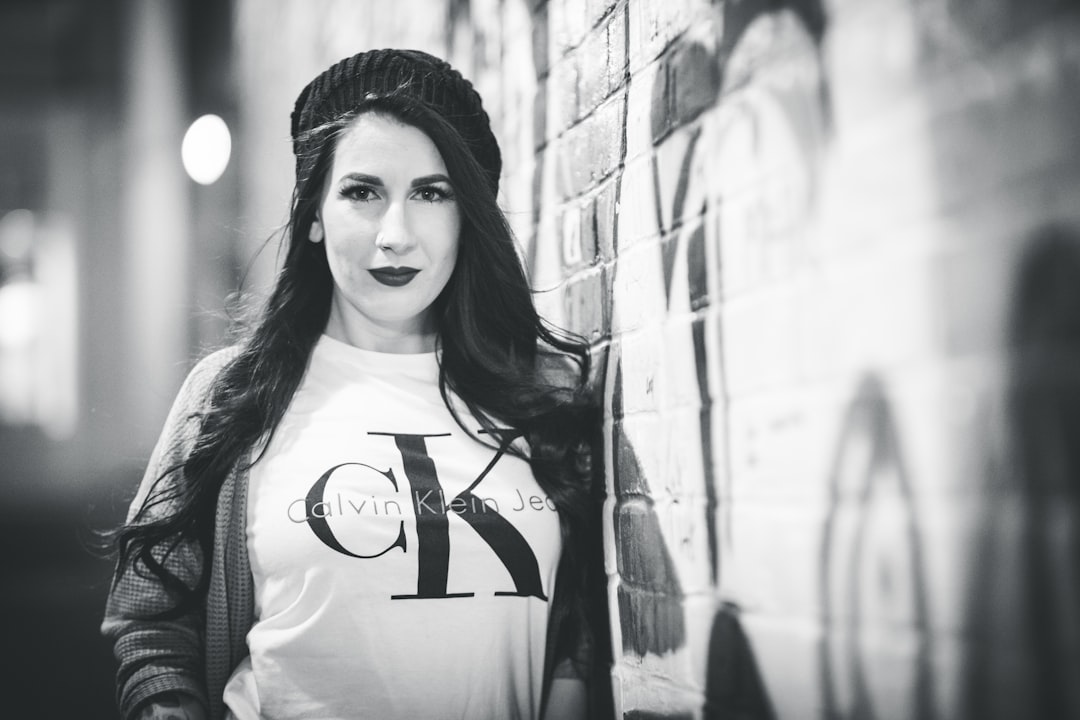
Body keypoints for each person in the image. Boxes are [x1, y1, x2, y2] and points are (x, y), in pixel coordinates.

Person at [102, 49, 609, 720]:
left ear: (467, 218)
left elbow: (572, 630)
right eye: (362, 192)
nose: (394, 235)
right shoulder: (231, 396)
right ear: (314, 213)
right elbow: (151, 623)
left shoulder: (538, 395)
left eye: (431, 193)